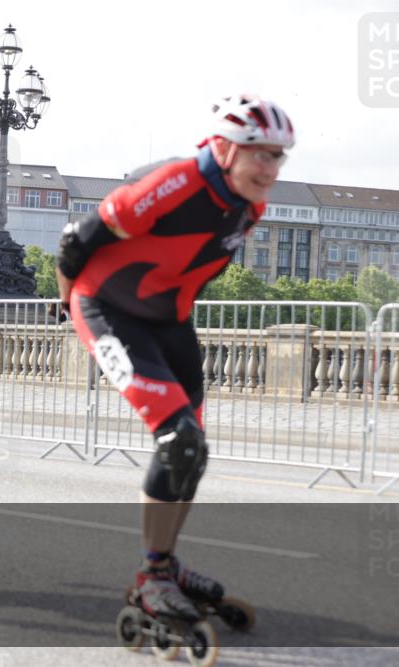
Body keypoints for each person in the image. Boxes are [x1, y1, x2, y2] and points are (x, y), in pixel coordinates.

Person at [56, 95, 295, 621]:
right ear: (226, 149)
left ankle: (162, 562)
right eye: (262, 154)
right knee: (178, 439)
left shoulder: (251, 206)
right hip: (108, 309)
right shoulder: (175, 182)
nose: (271, 168)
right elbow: (75, 242)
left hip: (170, 323)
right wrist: (70, 309)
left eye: (280, 157)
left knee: (192, 451)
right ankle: (152, 576)